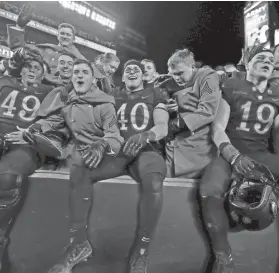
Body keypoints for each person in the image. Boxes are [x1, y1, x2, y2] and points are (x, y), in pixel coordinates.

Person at [26, 59, 169, 273]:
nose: (131, 72)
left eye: (136, 70)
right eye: (128, 69)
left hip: (146, 149)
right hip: (117, 150)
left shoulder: (155, 93)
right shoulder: (112, 94)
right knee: (81, 169)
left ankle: (141, 251)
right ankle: (79, 244)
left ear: (143, 75)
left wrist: (147, 135)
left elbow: (162, 125)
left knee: (154, 180)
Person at [199, 46, 279, 273]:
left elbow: (276, 138)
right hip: (232, 153)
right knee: (209, 189)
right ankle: (223, 256)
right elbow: (217, 128)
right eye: (260, 58)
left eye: (270, 59)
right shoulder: (231, 85)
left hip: (262, 154)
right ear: (247, 64)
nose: (267, 61)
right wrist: (233, 156)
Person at [0, 52, 52, 272]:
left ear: (44, 75)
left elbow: (55, 121)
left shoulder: (49, 93)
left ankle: (0, 238)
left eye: (38, 68)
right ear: (20, 69)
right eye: (29, 66)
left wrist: (31, 134)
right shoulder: (4, 82)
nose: (32, 70)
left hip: (25, 143)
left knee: (7, 179)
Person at [162, 49, 222, 179]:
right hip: (174, 146)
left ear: (193, 67)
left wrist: (176, 124)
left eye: (180, 73)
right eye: (173, 74)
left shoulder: (207, 76)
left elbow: (207, 111)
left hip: (197, 147)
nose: (177, 78)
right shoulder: (168, 82)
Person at [7, 4, 85, 75]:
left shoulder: (79, 60)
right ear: (57, 36)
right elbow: (19, 51)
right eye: (62, 33)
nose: (64, 36)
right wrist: (20, 26)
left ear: (73, 39)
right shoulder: (43, 49)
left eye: (68, 35)